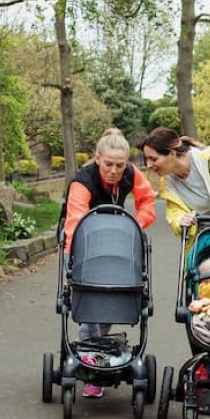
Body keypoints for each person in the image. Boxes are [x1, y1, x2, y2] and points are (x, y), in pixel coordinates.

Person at [61, 128, 159, 399]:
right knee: (90, 299)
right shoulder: (82, 182)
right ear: (96, 159)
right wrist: (75, 259)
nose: (114, 170)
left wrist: (136, 224)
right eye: (108, 164)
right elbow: (76, 223)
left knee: (111, 300)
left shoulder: (130, 173)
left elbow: (147, 200)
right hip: (84, 245)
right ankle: (93, 367)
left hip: (119, 243)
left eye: (119, 165)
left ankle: (100, 350)